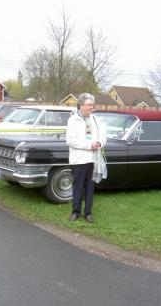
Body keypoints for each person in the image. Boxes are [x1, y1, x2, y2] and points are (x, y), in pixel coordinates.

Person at [66, 93, 107, 223]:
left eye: (92, 104)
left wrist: (99, 143)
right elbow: (71, 140)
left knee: (90, 186)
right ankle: (75, 212)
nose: (91, 107)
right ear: (81, 105)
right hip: (79, 159)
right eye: (89, 105)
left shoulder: (95, 119)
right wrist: (89, 145)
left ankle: (88, 213)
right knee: (78, 186)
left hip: (93, 159)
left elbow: (103, 136)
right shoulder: (73, 120)